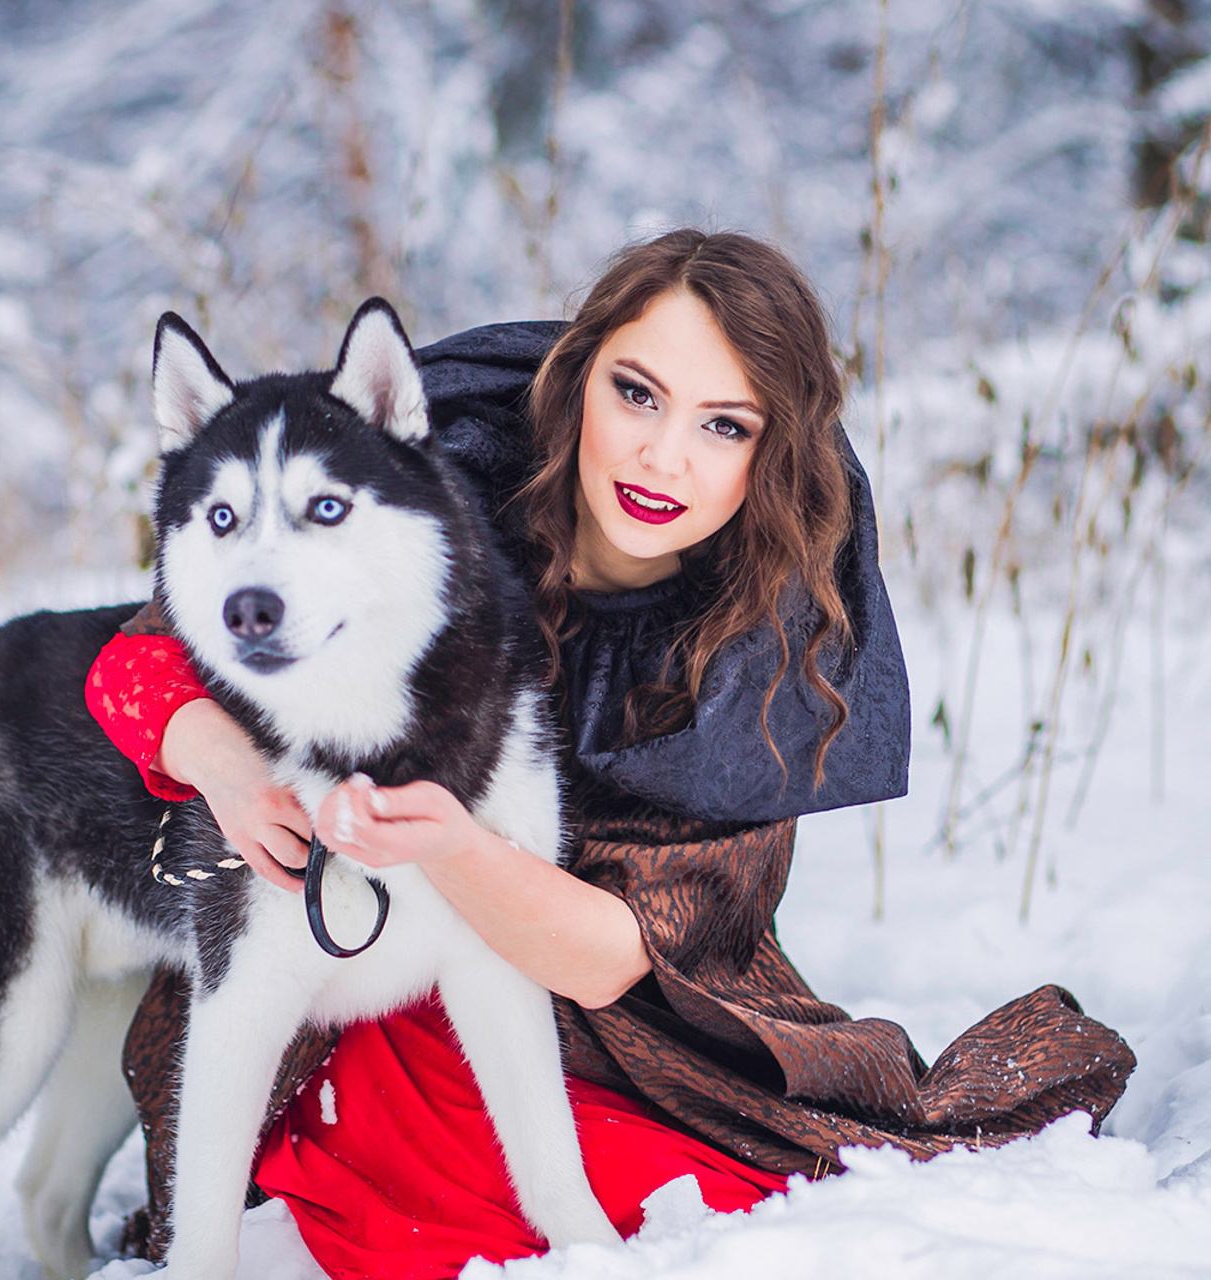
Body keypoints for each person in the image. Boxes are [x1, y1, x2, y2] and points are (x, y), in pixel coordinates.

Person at [86, 229, 1133, 1280]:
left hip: (627, 1007)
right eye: (637, 394)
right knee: (393, 1139)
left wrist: (460, 845)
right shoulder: (430, 473)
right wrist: (221, 760)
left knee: (683, 1185)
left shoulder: (764, 635)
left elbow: (621, 953)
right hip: (357, 954)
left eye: (722, 424)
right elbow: (131, 662)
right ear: (578, 379)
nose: (661, 455)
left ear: (767, 453)